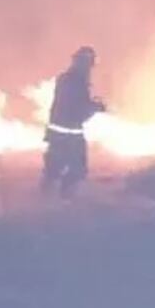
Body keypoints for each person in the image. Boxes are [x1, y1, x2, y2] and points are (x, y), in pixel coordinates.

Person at [41, 46, 105, 199]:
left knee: (54, 168)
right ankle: (65, 200)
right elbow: (77, 108)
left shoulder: (67, 79)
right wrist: (96, 107)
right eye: (89, 63)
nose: (90, 68)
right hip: (70, 134)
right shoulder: (77, 82)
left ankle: (46, 198)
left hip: (58, 132)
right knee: (77, 169)